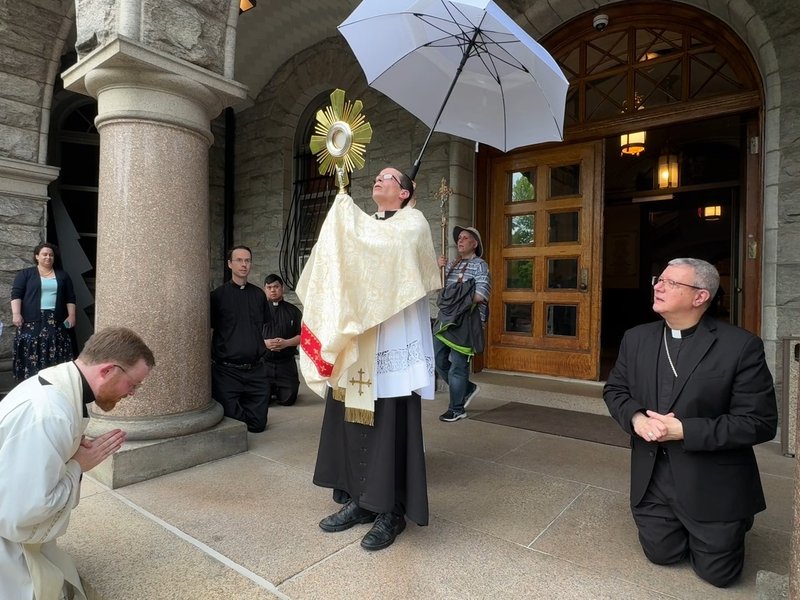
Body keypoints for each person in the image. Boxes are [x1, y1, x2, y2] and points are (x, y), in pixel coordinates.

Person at [604, 258, 777, 588]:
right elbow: (616, 390)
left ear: (700, 297)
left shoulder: (740, 346)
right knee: (661, 554)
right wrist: (636, 418)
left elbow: (759, 422)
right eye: (659, 279)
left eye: (671, 283)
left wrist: (683, 430)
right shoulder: (636, 338)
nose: (658, 286)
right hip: (654, 478)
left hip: (712, 479)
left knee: (718, 576)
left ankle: (733, 523)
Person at [296, 167, 440, 551]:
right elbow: (339, 261)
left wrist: (349, 222)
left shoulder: (414, 225)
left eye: (389, 177)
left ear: (406, 194)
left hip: (392, 339)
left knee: (391, 427)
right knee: (349, 422)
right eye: (376, 176)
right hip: (357, 342)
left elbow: (387, 255)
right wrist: (341, 214)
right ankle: (361, 501)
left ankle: (390, 511)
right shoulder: (365, 224)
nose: (379, 180)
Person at [0, 326, 155, 600]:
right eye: (133, 384)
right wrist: (77, 466)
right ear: (107, 370)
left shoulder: (54, 386)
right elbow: (22, 515)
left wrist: (69, 454)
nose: (133, 394)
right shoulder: (50, 414)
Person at [210, 246, 271, 433]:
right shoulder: (217, 296)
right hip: (227, 372)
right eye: (239, 260)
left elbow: (262, 326)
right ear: (230, 264)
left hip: (256, 371)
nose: (244, 265)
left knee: (258, 426)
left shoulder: (259, 295)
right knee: (234, 424)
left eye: (247, 260)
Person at [434, 226, 491, 422]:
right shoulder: (451, 266)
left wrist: (455, 295)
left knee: (458, 366)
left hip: (465, 322)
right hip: (445, 320)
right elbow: (439, 292)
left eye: (465, 238)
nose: (460, 240)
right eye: (459, 238)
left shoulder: (481, 265)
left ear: (474, 244)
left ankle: (457, 408)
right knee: (437, 359)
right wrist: (438, 269)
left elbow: (479, 296)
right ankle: (467, 388)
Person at [10, 242, 77, 381]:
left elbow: (70, 297)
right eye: (44, 254)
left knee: (56, 350)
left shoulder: (63, 276)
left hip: (56, 320)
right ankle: (30, 382)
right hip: (31, 321)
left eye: (51, 255)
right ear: (37, 257)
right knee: (31, 351)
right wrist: (16, 313)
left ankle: (54, 382)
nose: (48, 257)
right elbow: (16, 294)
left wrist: (71, 315)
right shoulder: (25, 274)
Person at [262, 273, 302, 406]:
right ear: (265, 289)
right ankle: (270, 390)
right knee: (262, 400)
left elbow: (303, 336)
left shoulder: (294, 311)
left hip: (286, 364)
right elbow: (248, 335)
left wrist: (286, 343)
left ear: (282, 288)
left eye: (276, 286)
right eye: (269, 287)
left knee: (288, 400)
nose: (273, 290)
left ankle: (280, 389)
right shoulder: (257, 311)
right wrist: (265, 343)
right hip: (263, 364)